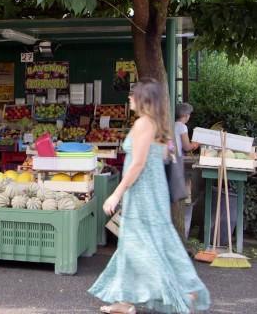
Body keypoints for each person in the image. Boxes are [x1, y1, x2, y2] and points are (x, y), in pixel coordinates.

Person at [88, 79, 210, 314]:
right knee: (149, 243)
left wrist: (116, 193)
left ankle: (183, 291)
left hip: (143, 193)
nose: (129, 98)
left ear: (144, 98)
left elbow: (138, 164)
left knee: (140, 245)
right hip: (152, 192)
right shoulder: (158, 124)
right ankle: (127, 301)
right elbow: (162, 157)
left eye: (133, 94)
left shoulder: (144, 123)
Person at [175, 103, 200, 239]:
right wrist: (196, 144)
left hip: (172, 160)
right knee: (184, 197)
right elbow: (187, 146)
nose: (189, 116)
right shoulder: (182, 126)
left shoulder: (172, 125)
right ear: (185, 115)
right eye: (189, 114)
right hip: (177, 163)